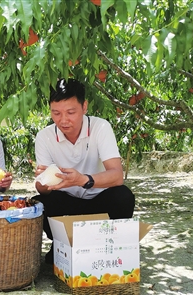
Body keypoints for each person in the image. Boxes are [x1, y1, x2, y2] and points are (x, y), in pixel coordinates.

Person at [32, 78, 135, 264]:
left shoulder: (100, 128)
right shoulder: (44, 137)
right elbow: (43, 190)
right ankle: (62, 244)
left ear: (84, 107)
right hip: (66, 203)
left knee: (123, 196)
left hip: (98, 199)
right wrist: (43, 180)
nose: (63, 120)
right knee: (38, 204)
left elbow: (117, 175)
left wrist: (82, 179)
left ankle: (104, 246)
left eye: (71, 112)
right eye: (56, 113)